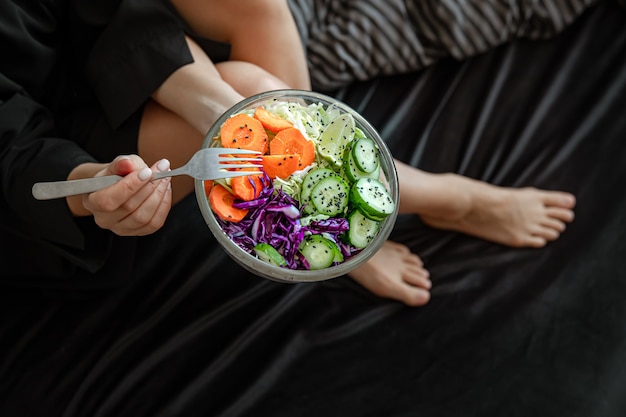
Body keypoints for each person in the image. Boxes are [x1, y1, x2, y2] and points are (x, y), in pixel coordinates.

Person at [0, 0, 578, 305]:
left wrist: (218, 110)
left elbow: (110, 13)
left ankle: (327, 207)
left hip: (93, 48)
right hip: (46, 171)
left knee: (260, 7)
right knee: (251, 87)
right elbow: (15, 154)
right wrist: (93, 186)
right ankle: (434, 199)